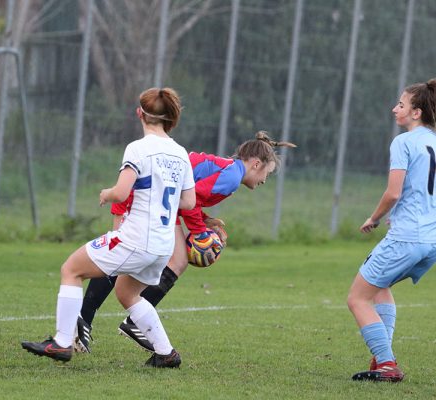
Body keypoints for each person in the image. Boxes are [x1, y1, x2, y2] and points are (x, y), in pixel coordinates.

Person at [74, 131, 296, 353]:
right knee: (127, 256)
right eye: (267, 173)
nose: (265, 180)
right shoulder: (231, 177)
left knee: (170, 261)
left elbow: (188, 200)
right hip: (143, 194)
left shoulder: (231, 171)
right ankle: (86, 319)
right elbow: (192, 201)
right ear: (256, 164)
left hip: (160, 200)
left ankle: (122, 322)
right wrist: (200, 232)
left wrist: (205, 220)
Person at [21, 87, 196, 368]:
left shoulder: (138, 149)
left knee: (71, 269)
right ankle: (166, 353)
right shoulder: (180, 153)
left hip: (135, 239)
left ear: (140, 113)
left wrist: (107, 193)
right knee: (127, 293)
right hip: (163, 246)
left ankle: (61, 343)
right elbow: (188, 202)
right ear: (169, 117)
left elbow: (122, 192)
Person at [347, 79, 436, 382]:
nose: (394, 108)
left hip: (406, 237)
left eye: (401, 104)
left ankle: (386, 364)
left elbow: (393, 193)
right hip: (430, 240)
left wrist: (374, 218)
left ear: (416, 112)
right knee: (380, 286)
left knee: (357, 298)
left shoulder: (403, 142)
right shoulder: (434, 141)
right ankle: (380, 357)